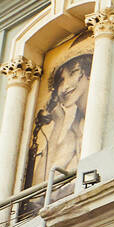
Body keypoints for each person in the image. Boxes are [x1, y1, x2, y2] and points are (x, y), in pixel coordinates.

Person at [24, 51, 92, 189]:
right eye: (60, 80)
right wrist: (58, 124)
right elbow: (41, 185)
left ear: (89, 73)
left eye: (73, 72)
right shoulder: (75, 128)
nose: (64, 87)